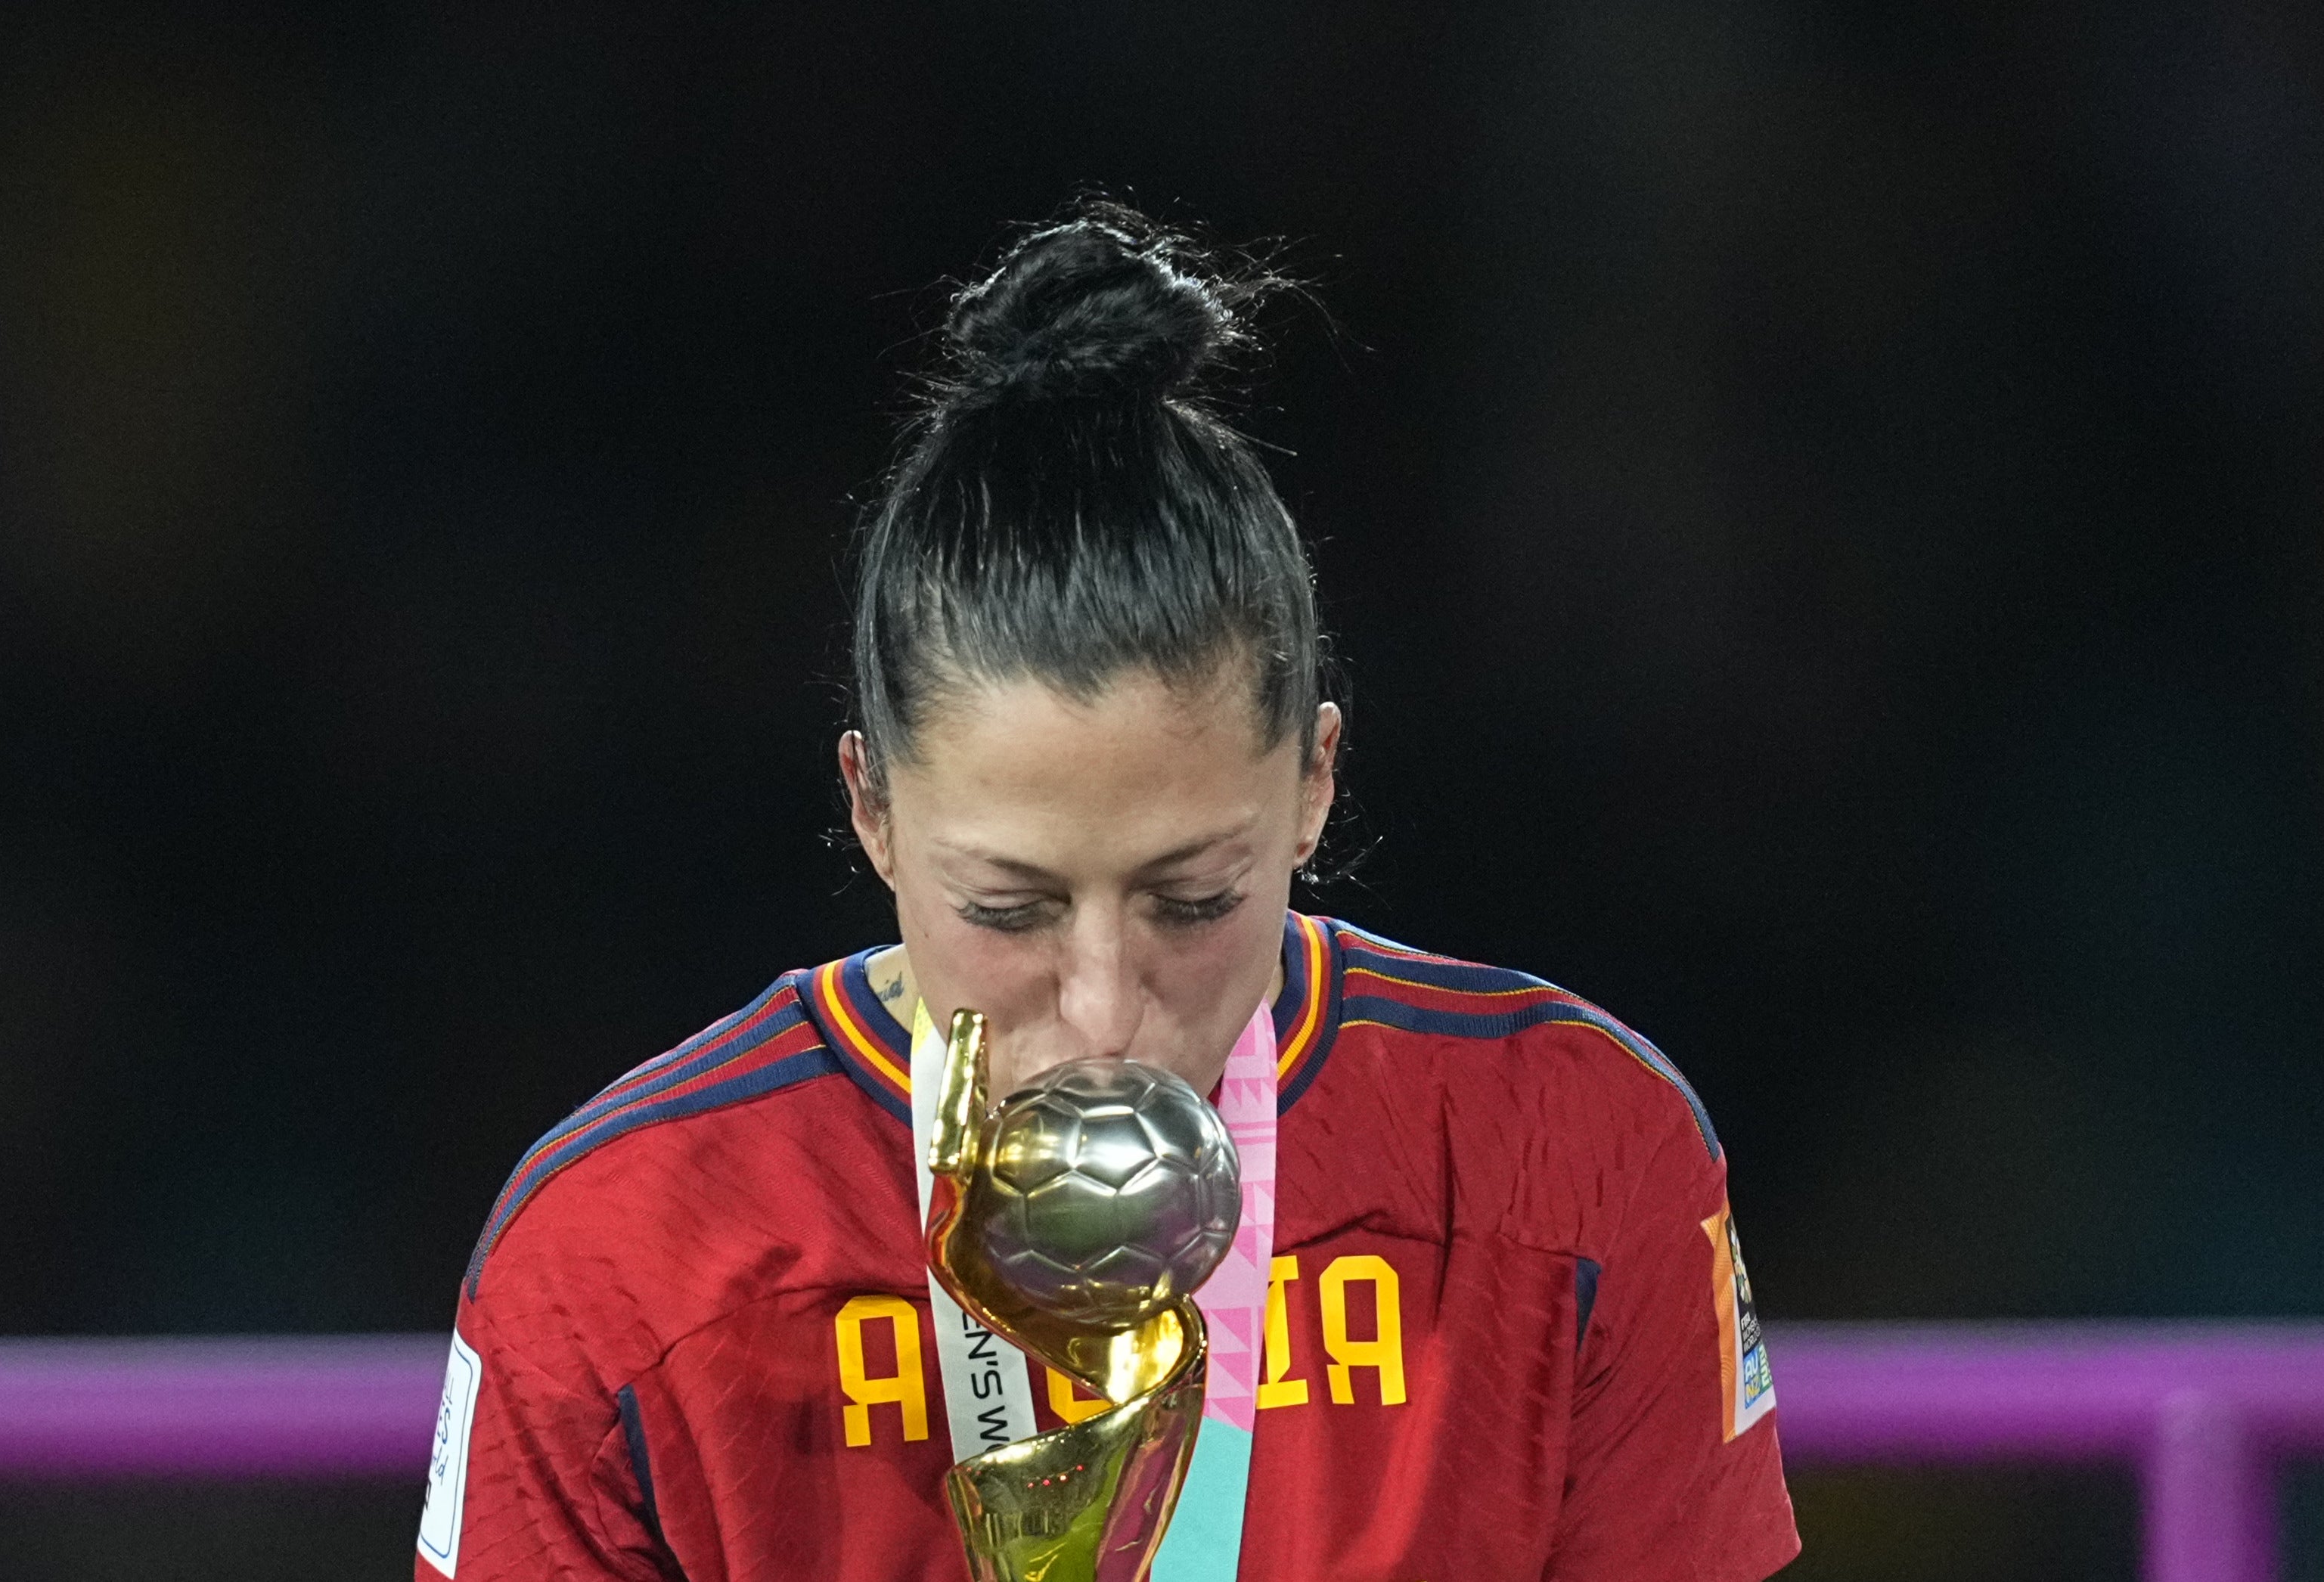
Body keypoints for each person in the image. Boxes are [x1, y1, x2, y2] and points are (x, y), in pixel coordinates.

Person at [414, 202, 1800, 1582]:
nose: (1102, 1018)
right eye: (1007, 911)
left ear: (1315, 779)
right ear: (872, 809)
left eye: (1191, 902)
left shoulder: (1578, 1155)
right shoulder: (612, 1255)